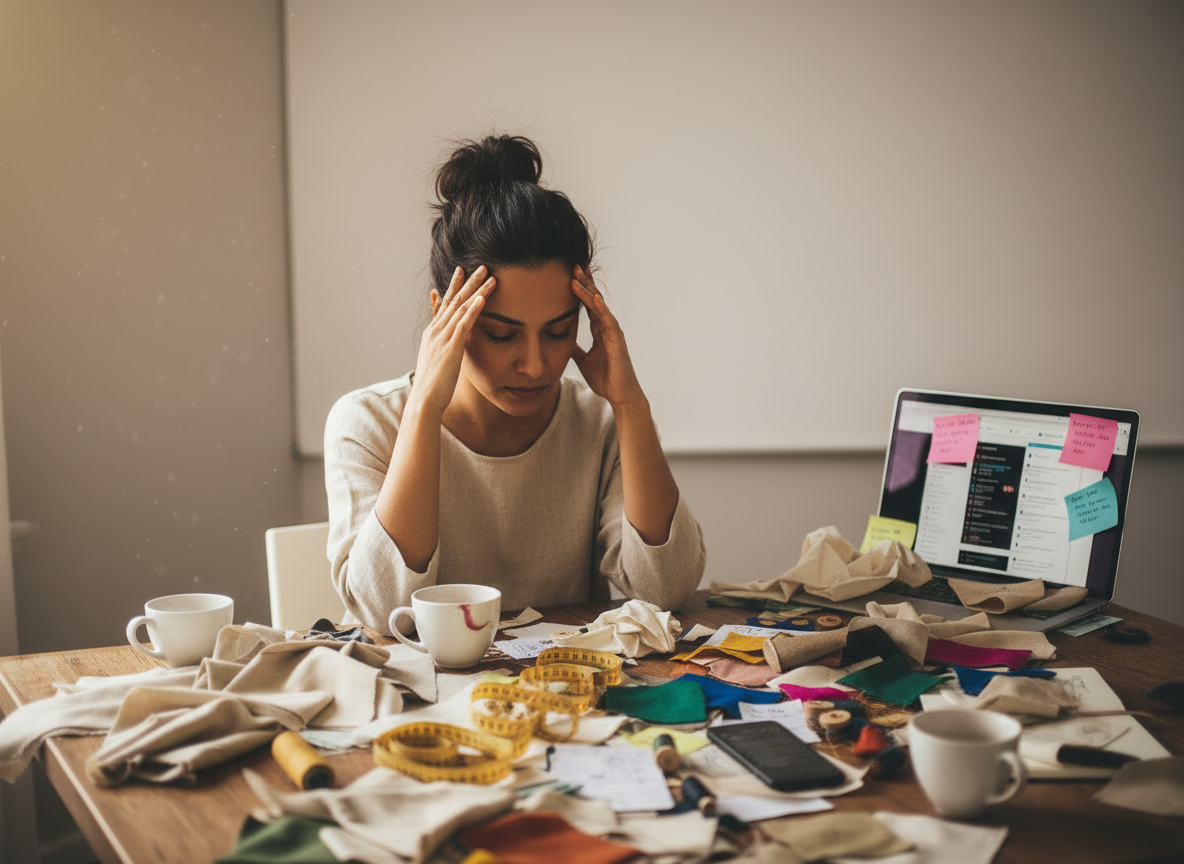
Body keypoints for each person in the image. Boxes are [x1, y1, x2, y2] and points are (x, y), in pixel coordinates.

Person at [324, 134, 706, 634]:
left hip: (568, 698)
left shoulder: (596, 422)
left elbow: (668, 589)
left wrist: (630, 404)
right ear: (445, 316)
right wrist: (422, 413)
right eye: (501, 334)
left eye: (558, 331)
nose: (536, 365)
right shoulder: (368, 422)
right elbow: (383, 610)